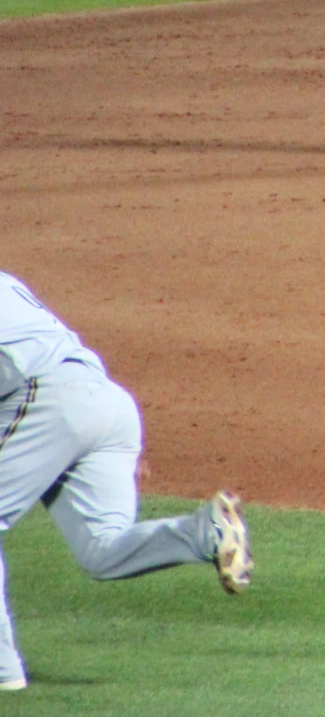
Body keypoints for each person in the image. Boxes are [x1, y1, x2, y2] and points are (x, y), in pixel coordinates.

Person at [0, 271, 253, 694]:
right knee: (103, 548)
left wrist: (69, 427)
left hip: (51, 402)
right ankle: (202, 532)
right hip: (107, 404)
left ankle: (3, 669)